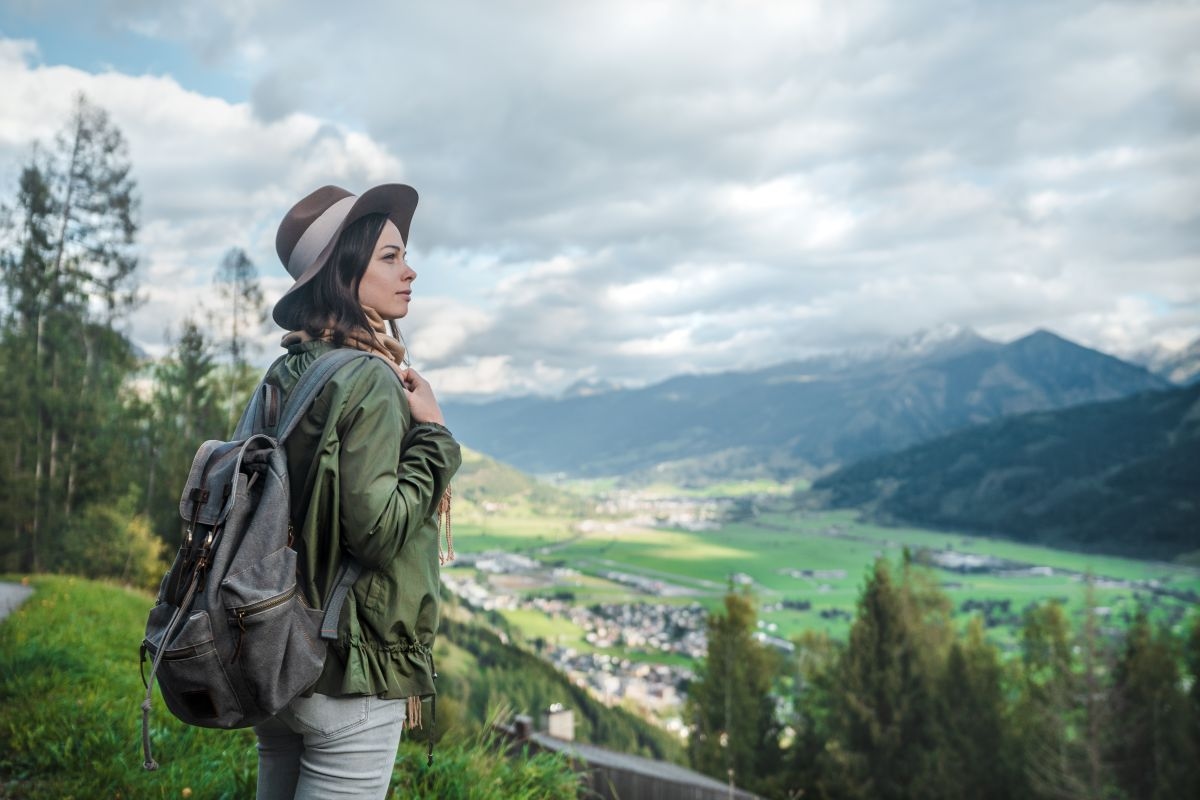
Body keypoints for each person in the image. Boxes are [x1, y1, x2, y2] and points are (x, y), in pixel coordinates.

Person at [252, 184, 461, 799]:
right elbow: (376, 532)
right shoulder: (368, 377)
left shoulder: (288, 369)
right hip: (348, 672)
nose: (410, 270)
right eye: (390, 257)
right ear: (346, 272)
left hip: (277, 653)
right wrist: (436, 438)